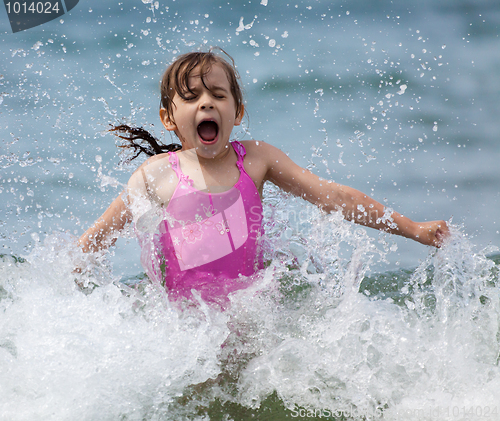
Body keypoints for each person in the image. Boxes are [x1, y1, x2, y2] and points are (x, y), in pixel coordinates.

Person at [78, 48, 449, 304]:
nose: (206, 102)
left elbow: (334, 198)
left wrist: (412, 228)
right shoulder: (154, 176)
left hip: (251, 317)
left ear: (237, 112)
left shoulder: (255, 160)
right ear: (168, 119)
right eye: (191, 97)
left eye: (218, 95)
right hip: (186, 329)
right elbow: (97, 239)